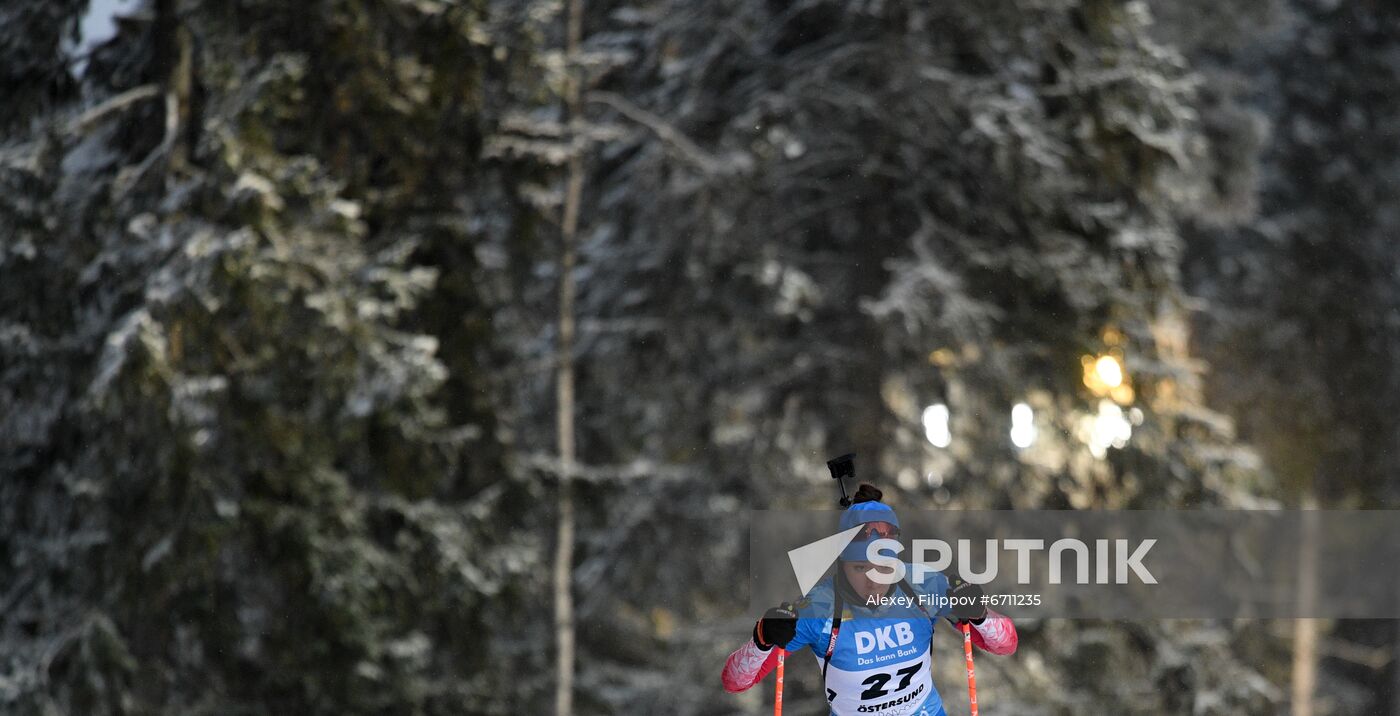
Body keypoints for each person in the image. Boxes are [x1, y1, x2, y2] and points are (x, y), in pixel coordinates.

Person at [722, 484, 1017, 716]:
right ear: (841, 564)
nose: (874, 580)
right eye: (860, 568)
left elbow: (1006, 643)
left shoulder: (924, 586)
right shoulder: (818, 607)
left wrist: (979, 615)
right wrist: (763, 638)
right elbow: (735, 681)